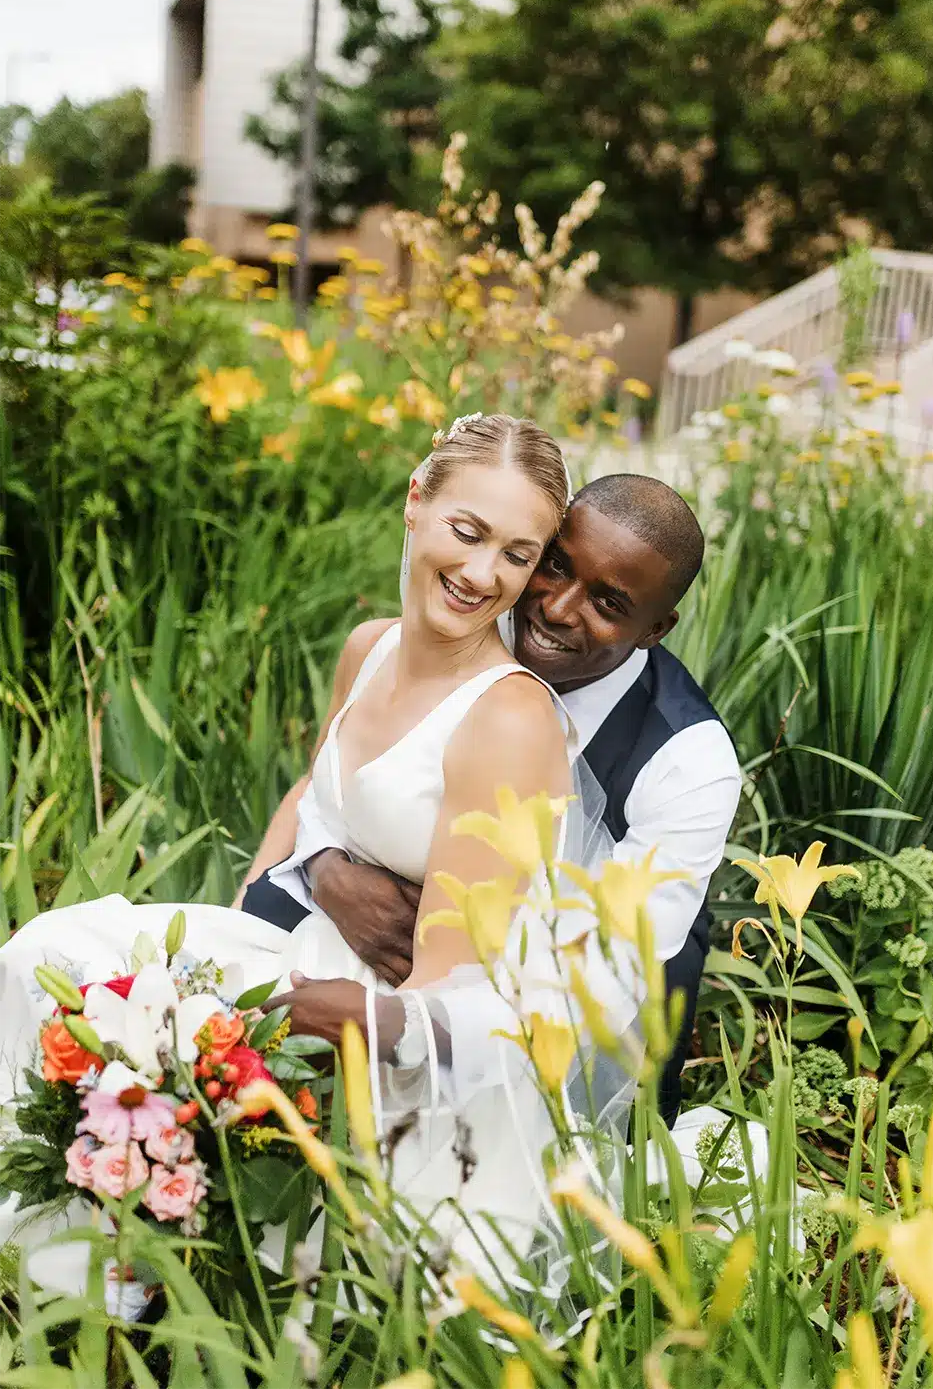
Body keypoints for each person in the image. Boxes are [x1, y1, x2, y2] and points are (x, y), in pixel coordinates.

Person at [0, 415, 654, 1279]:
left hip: (394, 1040)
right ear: (416, 503)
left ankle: (116, 1268)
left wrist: (251, 1033)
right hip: (298, 947)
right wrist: (239, 922)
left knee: (140, 1027)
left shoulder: (505, 716)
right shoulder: (370, 647)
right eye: (468, 532)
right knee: (48, 952)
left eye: (517, 555)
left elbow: (448, 996)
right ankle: (63, 1239)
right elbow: (313, 796)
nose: (481, 573)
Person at [241, 473, 742, 1127]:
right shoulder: (473, 626)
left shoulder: (687, 762)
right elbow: (344, 775)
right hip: (389, 960)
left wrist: (389, 1022)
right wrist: (326, 867)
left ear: (657, 629)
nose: (557, 609)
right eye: (555, 566)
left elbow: (598, 979)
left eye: (608, 603)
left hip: (569, 1043)